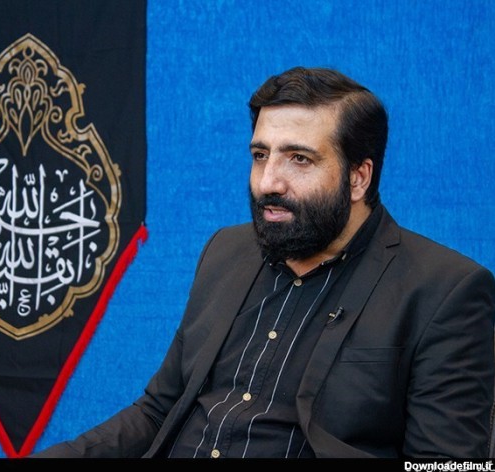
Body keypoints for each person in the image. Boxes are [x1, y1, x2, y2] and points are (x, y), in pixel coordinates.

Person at [33, 66, 495, 458]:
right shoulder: (226, 251)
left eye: (299, 159)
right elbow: (158, 411)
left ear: (358, 177)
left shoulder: (444, 291)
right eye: (260, 155)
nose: (268, 182)